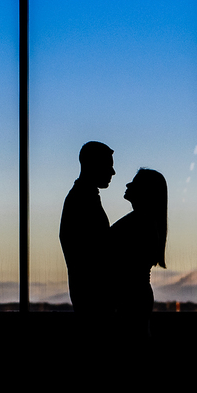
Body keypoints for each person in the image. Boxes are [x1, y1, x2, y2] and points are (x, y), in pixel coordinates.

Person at [107, 168, 168, 337]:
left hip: (129, 299)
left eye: (135, 182)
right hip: (135, 297)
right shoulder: (145, 222)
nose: (128, 184)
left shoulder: (140, 223)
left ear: (146, 191)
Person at [60, 142, 116, 312]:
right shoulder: (82, 200)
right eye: (108, 166)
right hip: (93, 297)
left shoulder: (80, 197)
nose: (112, 172)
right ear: (94, 165)